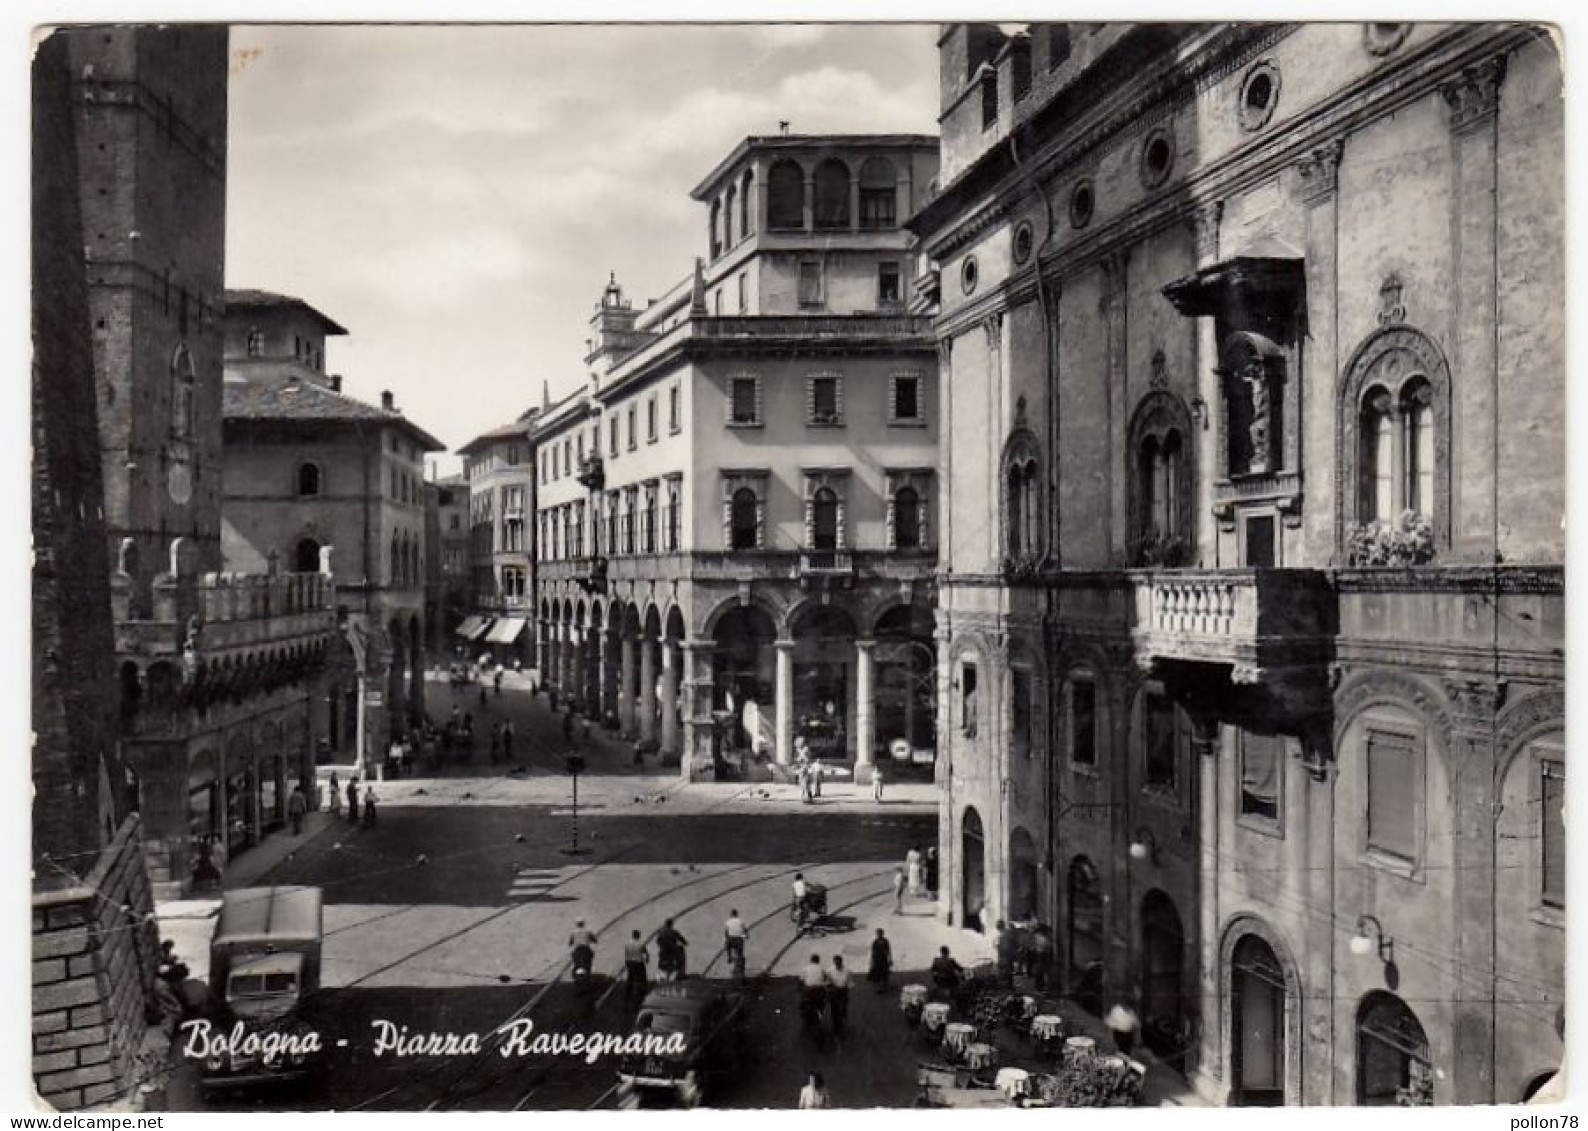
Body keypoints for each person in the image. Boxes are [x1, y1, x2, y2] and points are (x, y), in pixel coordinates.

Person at [798, 955, 828, 1031]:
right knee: (821, 1003)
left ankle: (806, 1016)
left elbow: (801, 980)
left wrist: (799, 987)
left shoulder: (806, 968)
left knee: (803, 1003)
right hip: (819, 990)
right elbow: (826, 979)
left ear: (811, 960)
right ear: (818, 961)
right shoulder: (822, 968)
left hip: (809, 990)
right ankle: (820, 1013)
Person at [623, 930, 649, 1011]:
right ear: (638, 936)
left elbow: (626, 955)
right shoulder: (641, 944)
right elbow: (646, 953)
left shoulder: (627, 944)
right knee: (642, 980)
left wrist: (627, 963)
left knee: (630, 980)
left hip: (630, 963)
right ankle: (640, 999)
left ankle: (627, 999)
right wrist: (647, 959)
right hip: (638, 964)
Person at [827, 955, 851, 1035]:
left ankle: (841, 1020)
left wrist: (848, 989)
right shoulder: (830, 971)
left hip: (843, 991)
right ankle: (835, 1024)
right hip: (834, 991)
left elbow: (850, 983)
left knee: (842, 1008)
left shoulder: (847, 970)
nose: (837, 964)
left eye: (839, 962)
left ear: (841, 962)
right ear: (834, 962)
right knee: (834, 1009)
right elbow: (828, 982)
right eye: (836, 962)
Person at [723, 908, 749, 975]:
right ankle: (740, 961)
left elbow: (726, 932)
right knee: (740, 953)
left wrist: (726, 939)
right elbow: (745, 930)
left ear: (731, 914)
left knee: (727, 946)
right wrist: (746, 936)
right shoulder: (741, 921)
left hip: (731, 939)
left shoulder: (728, 921)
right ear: (737, 914)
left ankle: (729, 956)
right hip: (739, 939)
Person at [868, 928, 893, 993]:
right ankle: (878, 988)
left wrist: (890, 959)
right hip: (877, 960)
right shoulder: (875, 942)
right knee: (877, 974)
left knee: (884, 973)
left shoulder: (885, 941)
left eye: (880, 933)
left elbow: (888, 950)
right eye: (878, 933)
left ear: (882, 934)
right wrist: (871, 961)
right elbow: (873, 952)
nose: (879, 935)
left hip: (884, 960)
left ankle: (885, 986)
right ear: (876, 934)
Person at [994, 919, 1017, 987]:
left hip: (1005, 955)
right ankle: (1008, 984)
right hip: (1007, 955)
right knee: (1007, 970)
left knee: (1006, 970)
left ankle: (1008, 985)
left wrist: (998, 947)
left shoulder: (1003, 934)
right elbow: (1014, 943)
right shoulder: (1007, 933)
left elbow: (1000, 945)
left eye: (997, 926)